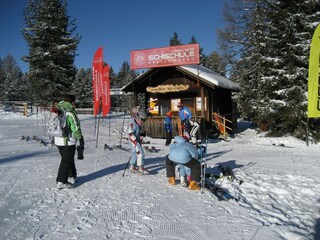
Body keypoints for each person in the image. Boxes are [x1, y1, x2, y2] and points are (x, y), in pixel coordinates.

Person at [54, 94, 84, 189]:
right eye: (74, 101)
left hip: (58, 139)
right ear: (72, 102)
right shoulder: (70, 112)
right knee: (66, 160)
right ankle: (61, 181)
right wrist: (79, 138)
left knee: (68, 158)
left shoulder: (58, 109)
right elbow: (75, 127)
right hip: (68, 140)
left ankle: (72, 176)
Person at [128, 110, 149, 174]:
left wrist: (141, 135)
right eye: (142, 120)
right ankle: (140, 168)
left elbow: (136, 133)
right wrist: (135, 140)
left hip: (134, 141)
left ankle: (131, 167)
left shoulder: (137, 124)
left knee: (134, 153)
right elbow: (130, 134)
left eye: (144, 120)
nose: (143, 122)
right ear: (139, 118)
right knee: (140, 153)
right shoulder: (133, 124)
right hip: (133, 141)